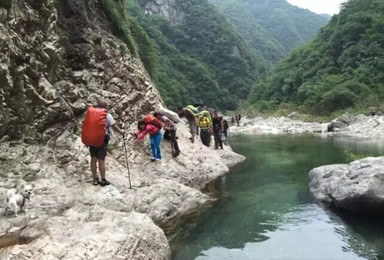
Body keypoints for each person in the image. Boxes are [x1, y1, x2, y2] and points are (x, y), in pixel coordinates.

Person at [89, 100, 125, 186]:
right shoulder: (107, 115)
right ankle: (103, 180)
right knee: (101, 160)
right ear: (105, 107)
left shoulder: (91, 114)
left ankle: (95, 179)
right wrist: (122, 132)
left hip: (92, 139)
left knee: (93, 159)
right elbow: (114, 127)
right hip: (102, 140)